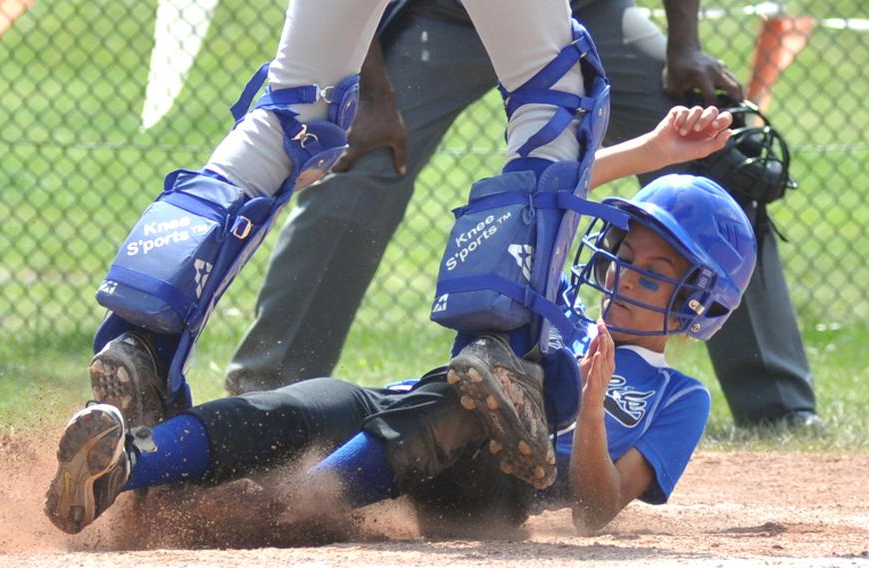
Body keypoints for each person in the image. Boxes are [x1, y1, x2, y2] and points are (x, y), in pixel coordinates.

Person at [44, 132, 758, 534]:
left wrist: (593, 406)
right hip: (413, 414)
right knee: (305, 406)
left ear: (701, 299)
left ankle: (276, 514)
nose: (628, 271)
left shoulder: (677, 397)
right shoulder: (560, 311)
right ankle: (129, 464)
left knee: (482, 403)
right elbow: (553, 197)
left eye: (656, 267)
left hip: (493, 488)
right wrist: (653, 151)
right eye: (627, 253)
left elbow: (596, 512)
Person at [224, 0, 818, 429]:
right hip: (442, 16)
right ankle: (270, 390)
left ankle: (779, 407)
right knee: (361, 161)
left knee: (712, 143)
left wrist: (682, 45)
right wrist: (373, 97)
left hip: (584, 12)